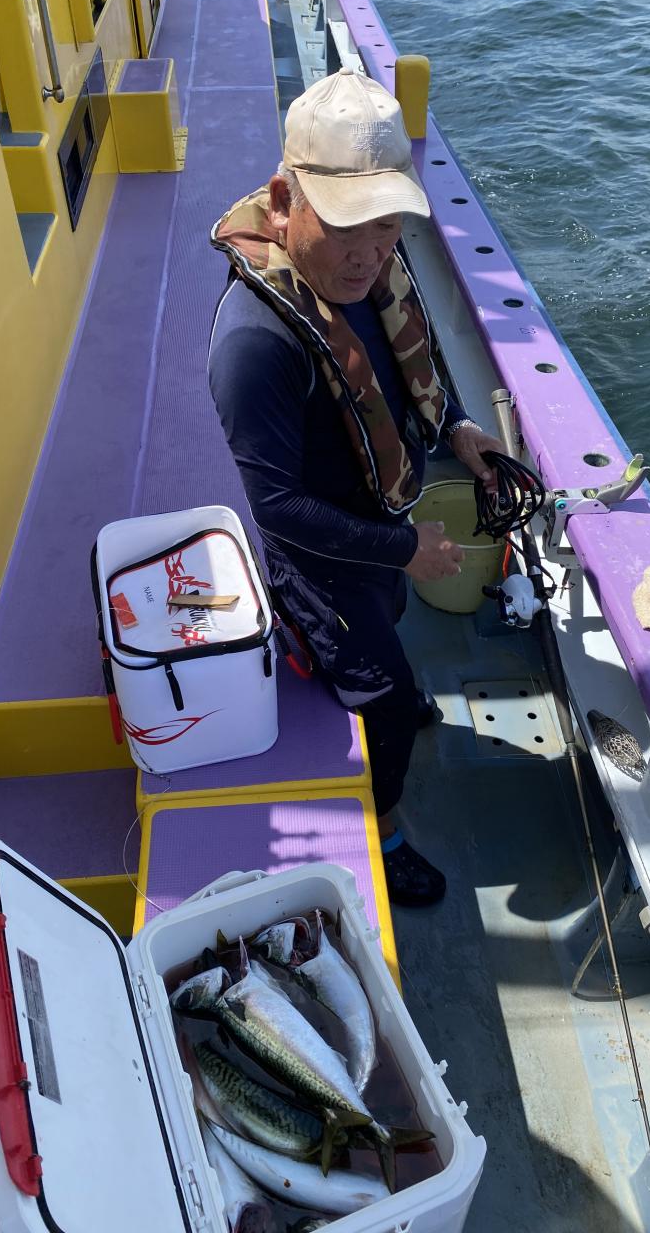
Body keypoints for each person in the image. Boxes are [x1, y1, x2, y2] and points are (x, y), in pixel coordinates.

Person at [207, 69, 503, 906]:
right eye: (345, 225)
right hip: (322, 560)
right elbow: (277, 509)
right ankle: (386, 826)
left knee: (394, 626)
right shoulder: (255, 345)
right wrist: (405, 548)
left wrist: (458, 429)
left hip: (384, 530)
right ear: (284, 201)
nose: (369, 253)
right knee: (388, 698)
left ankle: (380, 674)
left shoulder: (372, 265)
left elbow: (415, 360)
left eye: (386, 222)